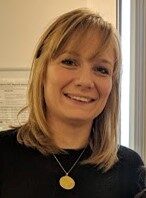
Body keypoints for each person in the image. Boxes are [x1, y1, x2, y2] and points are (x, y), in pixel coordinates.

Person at [0, 8, 145, 198]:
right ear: (42, 72)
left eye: (101, 69)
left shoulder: (130, 169)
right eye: (69, 62)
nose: (85, 81)